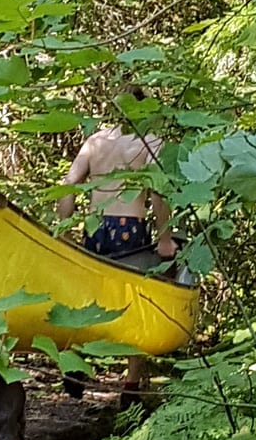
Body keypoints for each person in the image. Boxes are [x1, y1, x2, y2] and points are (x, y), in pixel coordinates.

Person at [57, 120, 178, 403]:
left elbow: (69, 184)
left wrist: (63, 229)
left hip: (95, 226)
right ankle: (131, 385)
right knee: (135, 304)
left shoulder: (96, 141)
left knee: (89, 298)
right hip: (130, 227)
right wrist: (164, 238)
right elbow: (158, 192)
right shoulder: (150, 141)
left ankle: (75, 364)